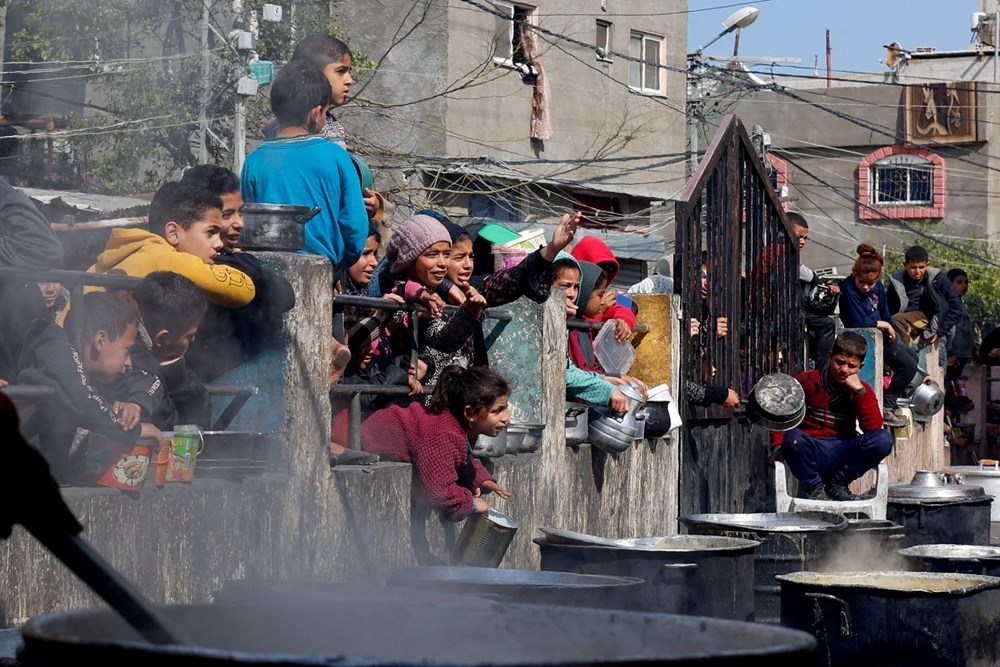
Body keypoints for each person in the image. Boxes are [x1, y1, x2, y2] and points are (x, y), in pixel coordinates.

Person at [18, 291, 166, 483]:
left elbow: (152, 381)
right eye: (127, 351)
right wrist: (132, 430)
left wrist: (135, 404)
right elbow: (84, 398)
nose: (129, 362)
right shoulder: (57, 351)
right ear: (100, 341)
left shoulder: (98, 370)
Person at [241, 61, 368, 270]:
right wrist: (339, 266)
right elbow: (355, 226)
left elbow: (246, 219)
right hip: (323, 268)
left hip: (266, 273)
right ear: (316, 113)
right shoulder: (336, 157)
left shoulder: (254, 160)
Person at [179, 165, 296, 381]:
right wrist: (247, 265)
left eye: (241, 212)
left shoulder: (237, 261)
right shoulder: (188, 263)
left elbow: (285, 295)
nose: (239, 223)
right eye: (227, 215)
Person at [360, 365, 510, 521]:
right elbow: (440, 493)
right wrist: (471, 503)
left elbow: (461, 458)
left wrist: (481, 479)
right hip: (351, 439)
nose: (506, 418)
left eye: (504, 409)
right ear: (469, 413)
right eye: (497, 411)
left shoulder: (459, 427)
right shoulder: (442, 434)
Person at [84, 181, 256, 309]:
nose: (218, 243)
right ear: (173, 233)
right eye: (210, 233)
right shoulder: (165, 258)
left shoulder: (121, 253)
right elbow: (244, 291)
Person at [271, 33, 386, 222]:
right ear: (311, 75)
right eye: (341, 71)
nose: (350, 80)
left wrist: (369, 204)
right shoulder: (292, 131)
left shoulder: (329, 123)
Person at [770, 331, 893, 501]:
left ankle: (838, 484)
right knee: (793, 438)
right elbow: (783, 415)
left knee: (883, 439)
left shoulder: (862, 390)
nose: (844, 370)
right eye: (840, 362)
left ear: (860, 367)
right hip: (810, 449)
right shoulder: (807, 380)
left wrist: (859, 391)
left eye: (852, 366)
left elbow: (873, 428)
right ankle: (814, 488)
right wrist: (777, 445)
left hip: (842, 451)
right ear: (830, 357)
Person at [838, 244, 917, 429]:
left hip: (882, 334)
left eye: (870, 284)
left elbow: (886, 313)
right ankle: (887, 406)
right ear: (855, 275)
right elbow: (858, 322)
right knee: (907, 366)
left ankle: (891, 398)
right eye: (862, 283)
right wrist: (884, 325)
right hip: (862, 338)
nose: (866, 287)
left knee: (912, 359)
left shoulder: (879, 288)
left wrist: (890, 329)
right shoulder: (848, 289)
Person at [129, 272, 212, 428]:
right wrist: (174, 372)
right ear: (162, 339)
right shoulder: (133, 368)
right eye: (189, 336)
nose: (193, 340)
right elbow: (178, 427)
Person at [887, 244, 962, 369]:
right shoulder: (897, 281)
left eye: (921, 267)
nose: (917, 272)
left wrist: (939, 332)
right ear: (905, 265)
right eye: (913, 268)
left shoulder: (937, 279)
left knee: (896, 320)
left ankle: (909, 358)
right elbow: (888, 306)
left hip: (928, 318)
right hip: (904, 321)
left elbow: (955, 306)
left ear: (927, 264)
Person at [788, 212, 839, 372]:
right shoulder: (785, 255)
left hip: (791, 310)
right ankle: (822, 370)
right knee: (827, 324)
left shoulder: (790, 255)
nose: (802, 241)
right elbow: (810, 276)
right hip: (786, 311)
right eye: (799, 237)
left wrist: (827, 284)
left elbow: (810, 276)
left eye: (805, 238)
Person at [571, 236, 636, 342]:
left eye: (606, 277)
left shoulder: (603, 298)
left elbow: (631, 305)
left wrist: (623, 320)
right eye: (595, 276)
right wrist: (599, 314)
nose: (601, 280)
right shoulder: (566, 302)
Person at [945, 268, 975, 379]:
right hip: (952, 355)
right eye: (959, 282)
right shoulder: (948, 304)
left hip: (963, 354)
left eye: (966, 282)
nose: (964, 286)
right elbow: (947, 330)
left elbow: (966, 330)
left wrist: (974, 351)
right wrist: (949, 353)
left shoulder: (961, 305)